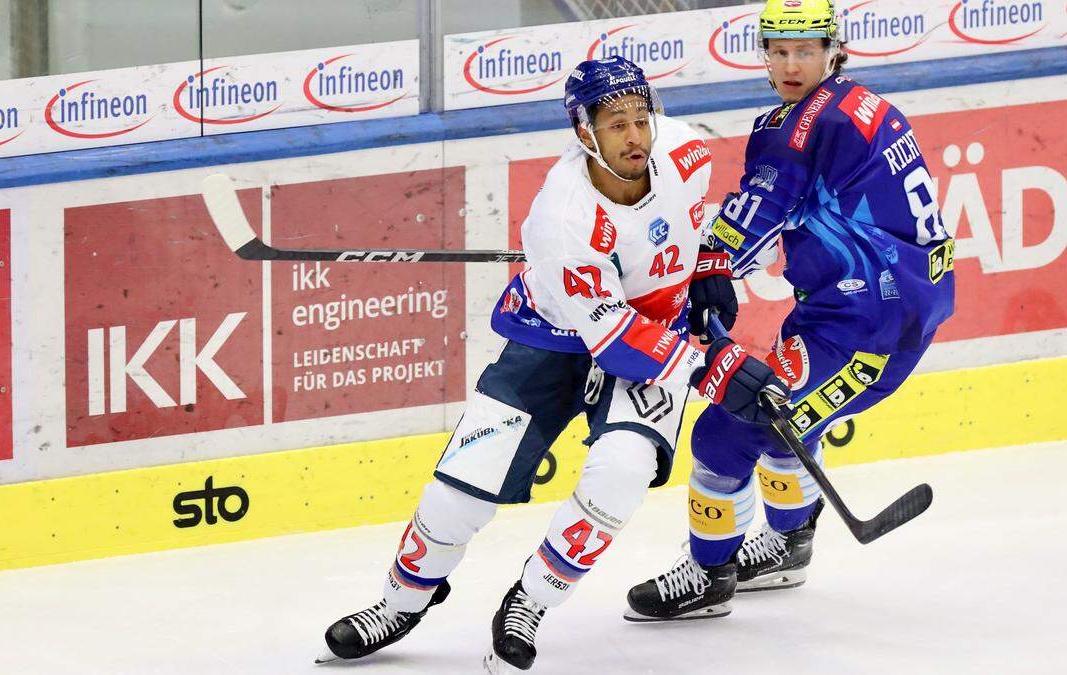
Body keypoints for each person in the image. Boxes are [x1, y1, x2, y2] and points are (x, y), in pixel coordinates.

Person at [316, 56, 786, 672]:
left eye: (641, 118)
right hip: (557, 337)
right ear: (583, 131)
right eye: (616, 124)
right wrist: (708, 366)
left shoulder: (688, 154)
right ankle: (401, 602)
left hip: (654, 330)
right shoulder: (563, 218)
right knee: (460, 492)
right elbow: (615, 341)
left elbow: (689, 230)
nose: (635, 136)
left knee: (621, 471)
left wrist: (708, 268)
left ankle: (531, 603)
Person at [624, 0, 956, 622]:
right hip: (878, 303)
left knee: (725, 432)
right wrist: (710, 258)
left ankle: (709, 574)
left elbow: (764, 203)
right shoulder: (864, 106)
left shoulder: (798, 126)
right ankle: (788, 547)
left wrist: (705, 263)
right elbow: (802, 204)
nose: (790, 63)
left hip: (865, 323)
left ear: (834, 49)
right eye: (778, 50)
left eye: (805, 50)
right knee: (787, 423)